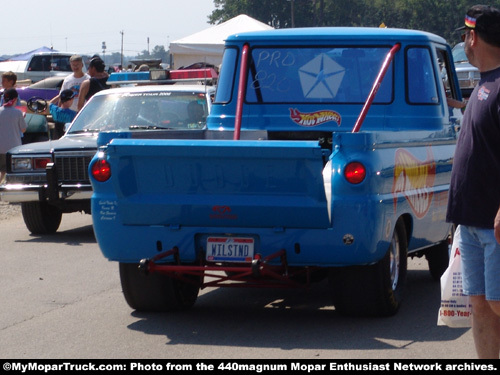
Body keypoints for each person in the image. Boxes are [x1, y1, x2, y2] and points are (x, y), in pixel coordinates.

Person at [446, 4, 500, 359]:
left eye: (466, 34)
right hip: (471, 221)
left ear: (473, 36)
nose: (465, 41)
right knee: (480, 307)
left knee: (497, 304)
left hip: (494, 225)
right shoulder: (484, 85)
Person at [0, 89, 27, 182]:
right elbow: (23, 129)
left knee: (2, 171)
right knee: (11, 170)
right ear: (15, 99)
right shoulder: (18, 113)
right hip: (13, 147)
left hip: (1, 147)